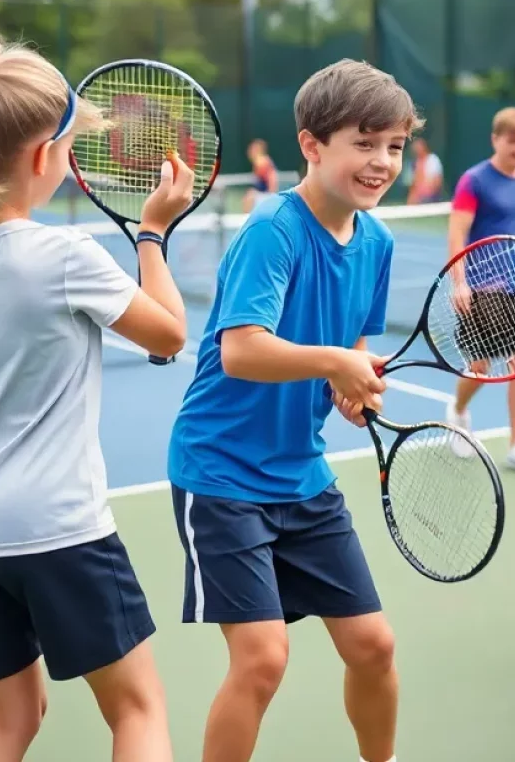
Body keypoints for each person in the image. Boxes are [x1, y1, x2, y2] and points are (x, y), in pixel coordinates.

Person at [0, 25, 193, 762]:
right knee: (138, 712)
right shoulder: (65, 255)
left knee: (10, 722)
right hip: (60, 531)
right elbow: (168, 336)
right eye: (68, 150)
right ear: (40, 158)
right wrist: (153, 233)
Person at [168, 59, 421, 762]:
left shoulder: (377, 241)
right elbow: (244, 351)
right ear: (312, 145)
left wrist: (351, 385)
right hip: (219, 474)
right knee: (262, 658)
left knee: (373, 646)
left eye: (395, 146)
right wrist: (334, 362)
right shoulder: (272, 228)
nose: (381, 162)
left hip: (299, 475)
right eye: (364, 143)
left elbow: (353, 345)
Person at [446, 106, 515, 477]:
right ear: (495, 140)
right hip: (482, 288)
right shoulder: (474, 181)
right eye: (512, 141)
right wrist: (460, 283)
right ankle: (458, 413)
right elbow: (458, 232)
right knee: (480, 366)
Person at [241, 137, 279, 212]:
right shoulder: (257, 164)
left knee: (250, 196)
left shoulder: (264, 162)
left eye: (252, 150)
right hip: (262, 194)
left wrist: (271, 198)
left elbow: (273, 179)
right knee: (249, 194)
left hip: (267, 195)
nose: (249, 152)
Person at [406, 137, 443, 204]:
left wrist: (427, 195)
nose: (417, 150)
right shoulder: (413, 163)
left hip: (431, 198)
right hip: (418, 199)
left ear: (424, 147)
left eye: (419, 147)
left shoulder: (433, 159)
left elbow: (437, 182)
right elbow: (412, 186)